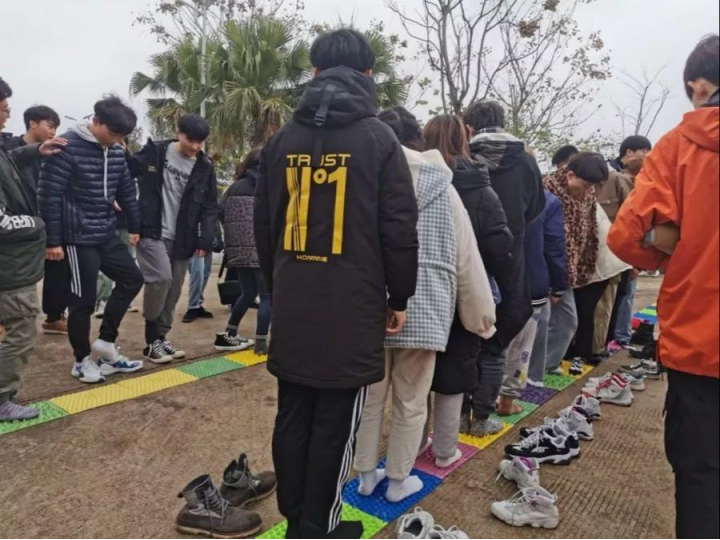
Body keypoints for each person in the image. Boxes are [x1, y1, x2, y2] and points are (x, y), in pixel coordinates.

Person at [255, 29, 419, 539]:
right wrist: (399, 296)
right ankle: (319, 526)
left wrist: (278, 285)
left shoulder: (282, 140)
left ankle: (297, 518)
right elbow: (399, 227)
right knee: (336, 419)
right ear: (368, 74)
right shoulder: (379, 140)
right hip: (353, 302)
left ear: (314, 72)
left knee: (293, 411)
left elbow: (265, 225)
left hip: (294, 297)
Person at [608, 34, 719, 540]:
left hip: (701, 340)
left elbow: (626, 236)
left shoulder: (678, 147)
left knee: (701, 474)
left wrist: (668, 245)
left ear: (699, 86)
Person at [354, 110, 495, 503]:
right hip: (427, 305)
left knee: (369, 398)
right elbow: (466, 258)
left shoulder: (363, 181)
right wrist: (481, 317)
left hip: (368, 304)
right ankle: (398, 481)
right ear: (417, 138)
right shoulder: (444, 187)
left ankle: (365, 475)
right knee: (412, 401)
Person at [38, 96, 144, 384]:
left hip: (105, 232)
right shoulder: (66, 146)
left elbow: (126, 192)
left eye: (122, 136)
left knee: (132, 279)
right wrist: (53, 241)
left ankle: (106, 343)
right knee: (83, 300)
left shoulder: (116, 151)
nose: (117, 140)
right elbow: (48, 196)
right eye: (113, 133)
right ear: (96, 121)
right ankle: (81, 361)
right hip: (76, 237)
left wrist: (136, 226)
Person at [423, 114, 512, 427]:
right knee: (459, 364)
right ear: (464, 140)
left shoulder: (413, 180)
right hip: (469, 285)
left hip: (423, 287)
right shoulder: (480, 188)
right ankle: (453, 436)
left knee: (416, 374)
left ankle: (416, 443)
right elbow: (500, 243)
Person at [462, 101, 545, 436]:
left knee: (464, 338)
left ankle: (457, 415)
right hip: (510, 254)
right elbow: (536, 206)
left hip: (468, 253)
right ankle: (481, 417)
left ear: (469, 126)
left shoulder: (462, 157)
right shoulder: (525, 161)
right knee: (496, 339)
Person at [127, 114, 218, 365]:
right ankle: (150, 341)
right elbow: (124, 172)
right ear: (178, 133)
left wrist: (205, 239)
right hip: (153, 231)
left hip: (183, 237)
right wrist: (124, 208)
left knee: (174, 290)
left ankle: (161, 337)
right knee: (160, 279)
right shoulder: (155, 152)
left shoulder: (205, 166)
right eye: (191, 140)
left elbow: (210, 206)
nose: (195, 146)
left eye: (200, 142)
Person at [0, 78, 65, 420]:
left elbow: (8, 159)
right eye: (4, 109)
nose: (7, 116)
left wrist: (34, 151)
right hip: (11, 268)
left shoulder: (5, 149)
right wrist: (39, 224)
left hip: (13, 263)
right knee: (22, 330)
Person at [5, 105, 71, 337]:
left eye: (56, 128)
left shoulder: (54, 152)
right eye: (49, 126)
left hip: (46, 218)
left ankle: (54, 317)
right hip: (17, 222)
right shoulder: (9, 148)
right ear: (32, 123)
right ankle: (6, 320)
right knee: (17, 273)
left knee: (57, 266)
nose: (53, 132)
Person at [543, 152, 609, 376]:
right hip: (549, 269)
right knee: (563, 321)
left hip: (568, 271)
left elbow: (589, 233)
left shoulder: (587, 195)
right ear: (570, 175)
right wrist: (557, 282)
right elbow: (553, 241)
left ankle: (543, 366)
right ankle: (539, 368)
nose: (589, 190)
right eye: (587, 185)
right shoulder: (547, 191)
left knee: (563, 321)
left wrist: (582, 267)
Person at [501, 188, 567, 407]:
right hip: (530, 281)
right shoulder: (546, 201)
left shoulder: (490, 189)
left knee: (489, 346)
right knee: (521, 346)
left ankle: (480, 400)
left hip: (493, 281)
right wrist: (558, 285)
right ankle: (507, 399)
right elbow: (554, 246)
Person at [214, 148, 271, 355]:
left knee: (248, 292)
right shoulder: (267, 188)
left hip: (237, 252)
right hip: (261, 251)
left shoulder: (232, 188)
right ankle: (261, 343)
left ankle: (230, 333)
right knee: (267, 297)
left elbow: (219, 212)